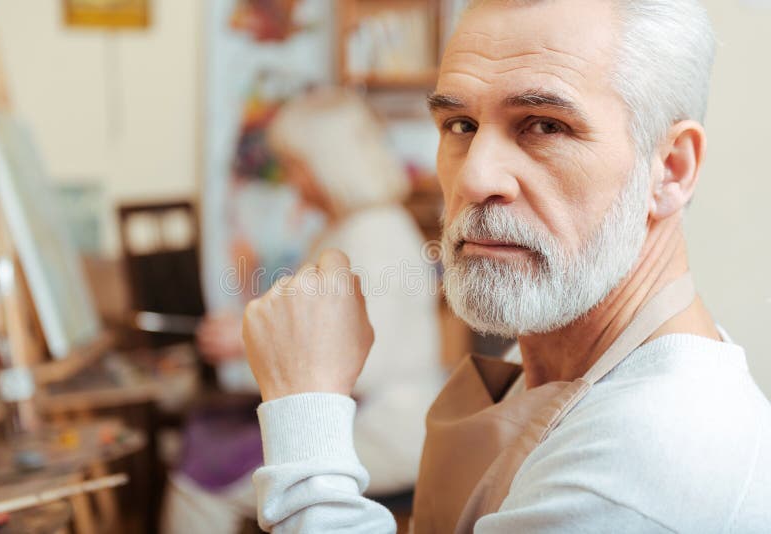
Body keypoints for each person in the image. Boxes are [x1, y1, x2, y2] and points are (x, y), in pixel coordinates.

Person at [241, 0, 771, 532]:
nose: (474, 179)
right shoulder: (563, 348)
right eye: (461, 124)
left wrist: (305, 405)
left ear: (671, 170)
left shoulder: (652, 451)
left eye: (544, 125)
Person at [162, 89, 445, 533]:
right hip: (366, 414)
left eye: (294, 165)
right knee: (207, 434)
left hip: (387, 427)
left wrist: (247, 341)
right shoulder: (349, 229)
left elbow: (361, 365)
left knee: (201, 484)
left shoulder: (375, 234)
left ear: (325, 165)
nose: (289, 179)